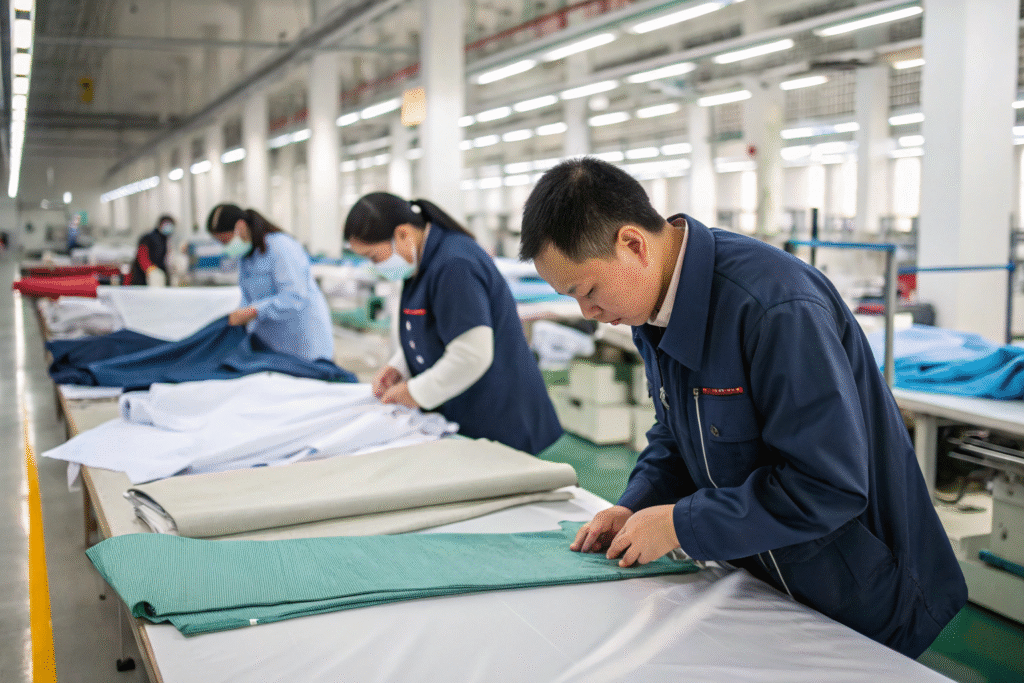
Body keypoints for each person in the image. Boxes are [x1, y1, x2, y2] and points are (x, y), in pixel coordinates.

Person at [519, 157, 967, 659]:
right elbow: (676, 433)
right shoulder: (650, 307)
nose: (588, 313)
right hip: (770, 581)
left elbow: (828, 485)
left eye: (587, 291)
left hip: (860, 595)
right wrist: (636, 504)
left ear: (633, 244)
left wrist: (681, 524)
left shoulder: (774, 308)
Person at [343, 192, 562, 455]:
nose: (374, 266)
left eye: (373, 256)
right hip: (467, 412)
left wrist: (414, 392)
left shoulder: (455, 265)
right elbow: (429, 327)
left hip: (500, 417)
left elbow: (470, 355)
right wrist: (398, 366)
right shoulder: (420, 263)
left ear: (402, 234)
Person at [207, 204, 333, 363]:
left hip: (303, 343)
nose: (225, 248)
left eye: (226, 241)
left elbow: (295, 297)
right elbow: (248, 297)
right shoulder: (246, 258)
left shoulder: (280, 247)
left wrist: (254, 311)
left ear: (241, 226)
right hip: (272, 345)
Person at [129, 214, 176, 286]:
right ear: (160, 225)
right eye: (166, 225)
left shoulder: (165, 240)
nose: (169, 228)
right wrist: (150, 269)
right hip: (144, 276)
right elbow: (142, 256)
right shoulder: (148, 238)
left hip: (159, 273)